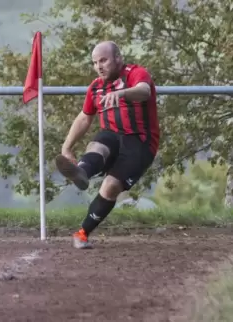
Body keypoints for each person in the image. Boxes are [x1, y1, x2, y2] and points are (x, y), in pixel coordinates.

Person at [56, 41, 160, 249]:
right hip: (112, 135)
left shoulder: (135, 73)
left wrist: (121, 93)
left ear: (118, 58)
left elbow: (144, 91)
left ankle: (82, 233)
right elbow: (85, 118)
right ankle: (81, 173)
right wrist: (66, 147)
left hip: (140, 141)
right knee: (100, 145)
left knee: (110, 186)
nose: (99, 66)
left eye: (103, 60)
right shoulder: (95, 87)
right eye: (95, 63)